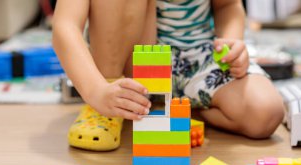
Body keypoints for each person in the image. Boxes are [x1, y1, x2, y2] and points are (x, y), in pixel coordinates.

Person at [52, 0, 284, 151]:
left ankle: (181, 108)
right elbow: (65, 25)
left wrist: (232, 42)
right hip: (130, 64)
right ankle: (110, 98)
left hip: (196, 58)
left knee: (265, 112)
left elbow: (228, 6)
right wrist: (97, 91)